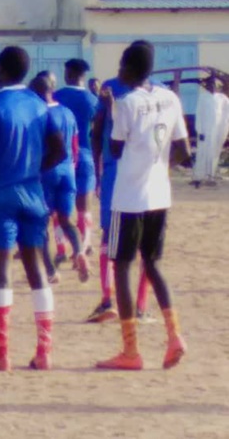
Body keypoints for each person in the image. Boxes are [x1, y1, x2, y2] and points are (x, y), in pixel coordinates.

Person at [0, 46, 66, 371]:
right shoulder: (39, 105)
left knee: (0, 270)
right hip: (34, 192)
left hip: (2, 194)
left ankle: (0, 351)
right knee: (37, 270)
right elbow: (60, 151)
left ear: (2, 71)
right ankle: (45, 352)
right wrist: (35, 169)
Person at [95, 43, 191, 371]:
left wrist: (109, 109)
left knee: (121, 265)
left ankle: (131, 351)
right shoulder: (171, 98)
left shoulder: (125, 103)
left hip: (129, 197)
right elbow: (183, 150)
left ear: (128, 68)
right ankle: (175, 335)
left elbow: (116, 148)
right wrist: (157, 166)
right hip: (160, 195)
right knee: (152, 264)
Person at [91, 40, 155, 324]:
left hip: (118, 170)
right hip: (147, 175)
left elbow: (101, 131)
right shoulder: (159, 92)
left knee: (111, 235)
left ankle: (109, 300)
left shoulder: (112, 90)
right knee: (144, 241)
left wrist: (98, 167)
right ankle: (138, 304)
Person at [30, 71, 87, 284]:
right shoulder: (68, 113)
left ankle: (51, 271)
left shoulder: (39, 114)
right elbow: (74, 146)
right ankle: (79, 252)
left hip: (47, 171)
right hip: (68, 172)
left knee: (41, 223)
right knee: (65, 219)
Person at [54, 59, 99, 264]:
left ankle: (62, 248)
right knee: (84, 207)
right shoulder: (93, 100)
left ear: (69, 73)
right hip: (87, 155)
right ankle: (86, 244)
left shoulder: (57, 97)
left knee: (58, 206)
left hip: (62, 157)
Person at [192, 77, 220, 188]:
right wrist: (200, 130)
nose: (212, 86)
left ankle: (211, 177)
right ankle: (198, 178)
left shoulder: (220, 98)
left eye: (213, 84)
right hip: (204, 131)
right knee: (202, 154)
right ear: (207, 86)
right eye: (210, 84)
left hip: (216, 131)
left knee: (213, 154)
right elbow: (199, 115)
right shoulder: (203, 98)